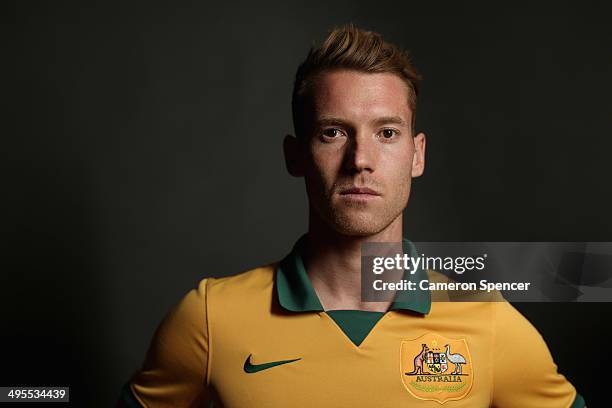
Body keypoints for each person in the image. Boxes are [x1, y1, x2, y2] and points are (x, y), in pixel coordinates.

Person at [117, 24, 586, 407]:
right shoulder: (209, 318)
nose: (360, 158)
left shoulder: (485, 320)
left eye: (386, 133)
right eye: (334, 132)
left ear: (416, 155)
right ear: (295, 156)